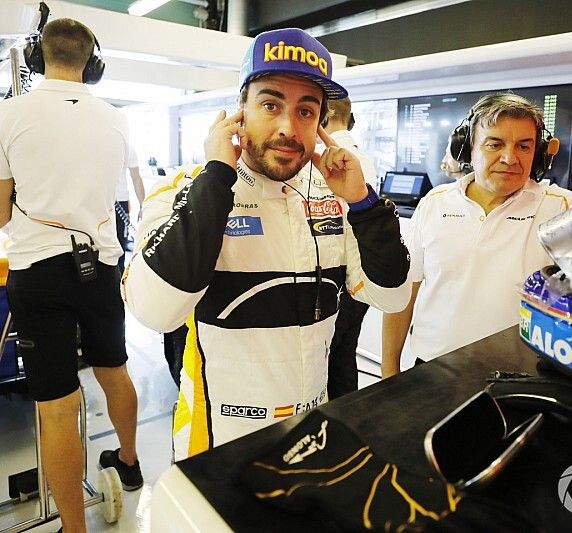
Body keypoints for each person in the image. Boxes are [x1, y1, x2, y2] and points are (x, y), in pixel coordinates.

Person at [123, 28, 411, 460]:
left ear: (321, 123)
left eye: (306, 111)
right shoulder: (185, 190)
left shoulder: (334, 197)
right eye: (270, 104)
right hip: (218, 443)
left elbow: (392, 295)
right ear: (241, 110)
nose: (287, 128)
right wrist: (217, 177)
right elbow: (155, 311)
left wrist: (364, 203)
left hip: (312, 434)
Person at [0, 18, 141, 532]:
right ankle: (129, 460)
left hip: (39, 271)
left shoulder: (9, 113)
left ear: (38, 56)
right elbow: (122, 194)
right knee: (114, 368)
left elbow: (0, 213)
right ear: (92, 62)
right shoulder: (116, 118)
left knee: (57, 407)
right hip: (100, 265)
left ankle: (74, 530)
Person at [382, 92, 572, 376]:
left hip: (521, 378)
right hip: (432, 371)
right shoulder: (435, 203)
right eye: (494, 144)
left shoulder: (560, 208)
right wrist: (389, 372)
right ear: (468, 149)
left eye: (524, 146)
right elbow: (403, 293)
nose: (510, 158)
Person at [323, 97, 378, 398]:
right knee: (345, 355)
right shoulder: (363, 157)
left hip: (338, 281)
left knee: (326, 363)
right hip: (361, 280)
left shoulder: (327, 157)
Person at [114, 144, 145, 273]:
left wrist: (143, 205)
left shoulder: (128, 148)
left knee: (121, 247)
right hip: (103, 201)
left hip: (121, 201)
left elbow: (136, 177)